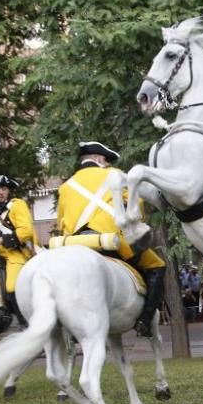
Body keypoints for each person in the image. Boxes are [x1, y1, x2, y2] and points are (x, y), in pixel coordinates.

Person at [56, 141, 166, 337]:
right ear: (100, 159)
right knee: (157, 266)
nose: (107, 164)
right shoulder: (114, 175)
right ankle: (145, 320)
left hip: (75, 245)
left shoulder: (66, 186)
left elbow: (61, 223)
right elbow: (136, 205)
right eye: (106, 161)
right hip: (111, 241)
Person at [0, 174, 39, 329]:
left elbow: (25, 231)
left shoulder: (17, 205)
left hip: (18, 253)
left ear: (8, 191)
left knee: (11, 287)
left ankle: (25, 324)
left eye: (4, 189)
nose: (0, 192)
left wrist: (0, 240)